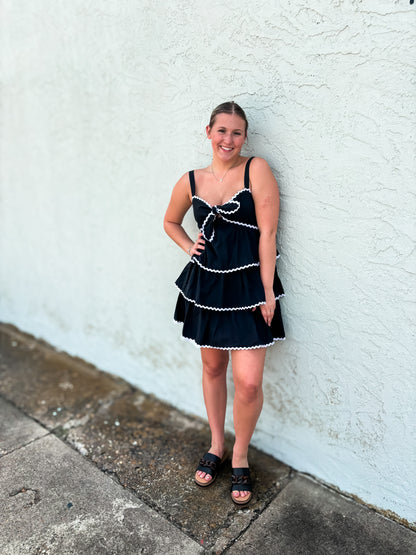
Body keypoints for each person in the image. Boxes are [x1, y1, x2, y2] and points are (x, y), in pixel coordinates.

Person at [163, 101, 285, 506]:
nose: (228, 139)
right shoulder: (191, 180)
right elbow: (170, 221)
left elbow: (267, 236)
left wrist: (267, 291)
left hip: (250, 286)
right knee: (213, 366)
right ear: (208, 132)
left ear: (244, 137)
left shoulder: (257, 170)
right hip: (208, 288)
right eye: (222, 131)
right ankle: (216, 445)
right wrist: (189, 247)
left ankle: (240, 454)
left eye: (236, 132)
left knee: (248, 382)